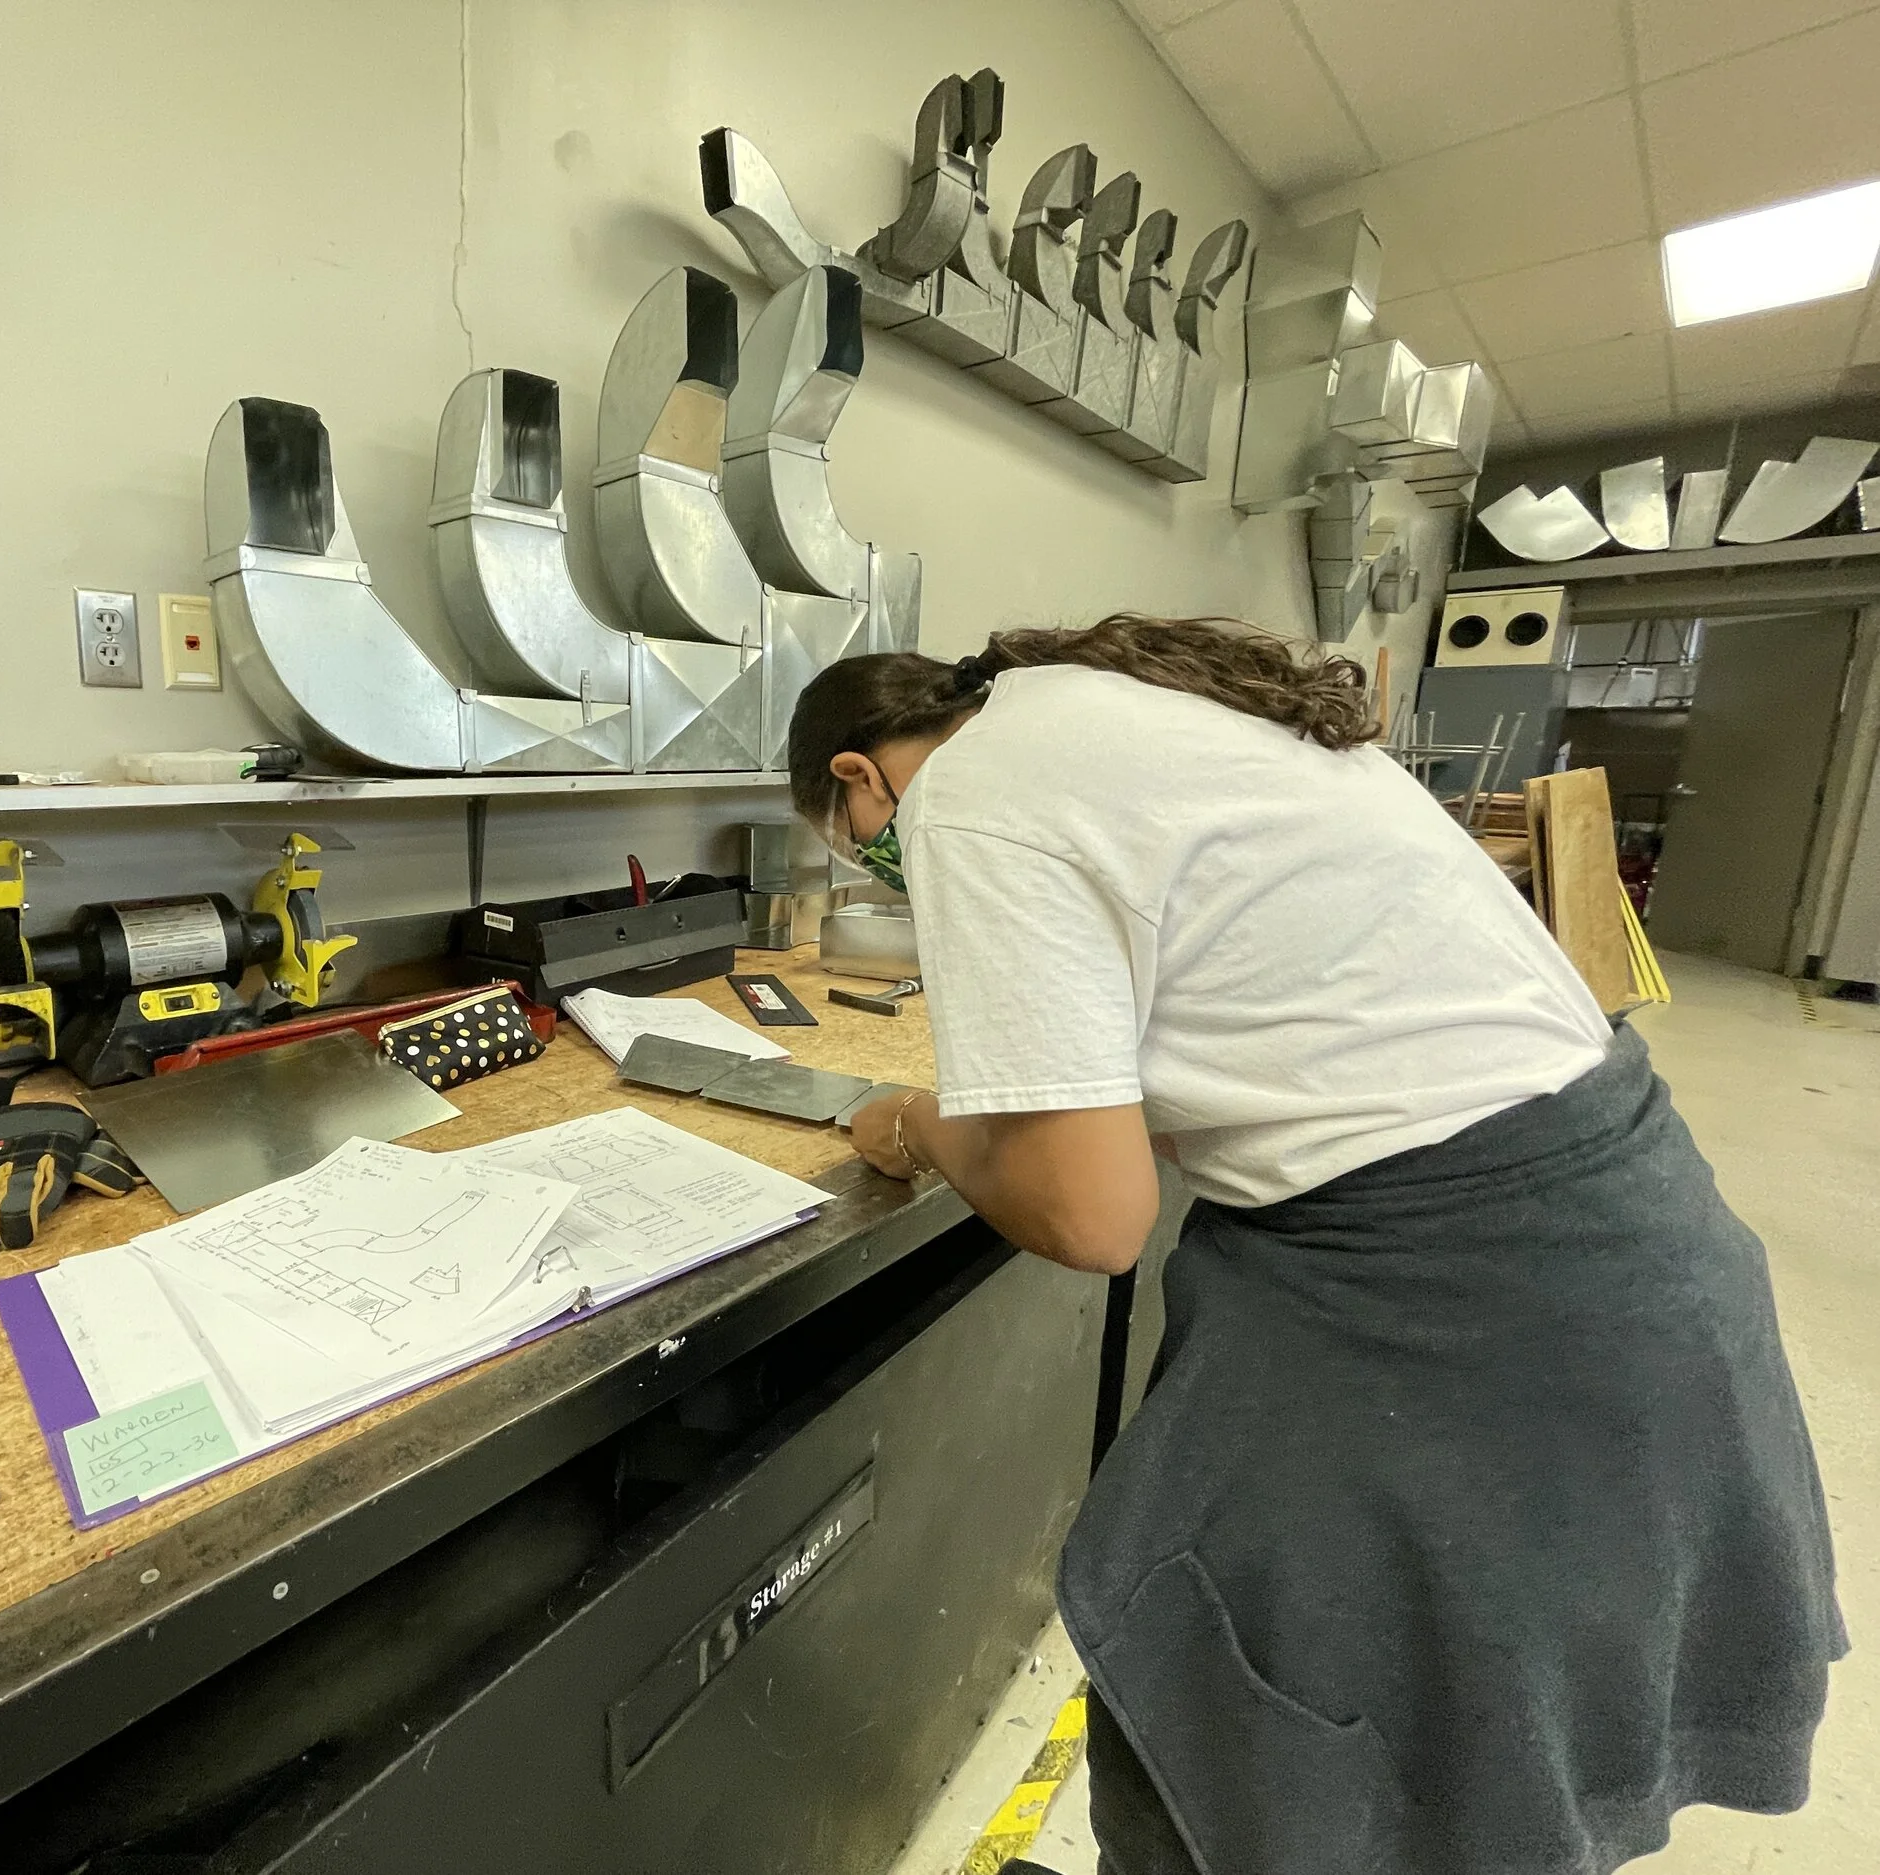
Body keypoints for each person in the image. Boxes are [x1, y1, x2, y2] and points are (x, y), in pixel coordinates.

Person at [787, 615, 1845, 1875]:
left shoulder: (970, 793)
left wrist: (915, 1123)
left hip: (1459, 1301)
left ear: (857, 776)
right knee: (1409, 1772)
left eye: (854, 843)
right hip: (1624, 1234)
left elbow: (1091, 1216)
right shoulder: (1130, 717)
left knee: (1248, 1718)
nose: (877, 865)